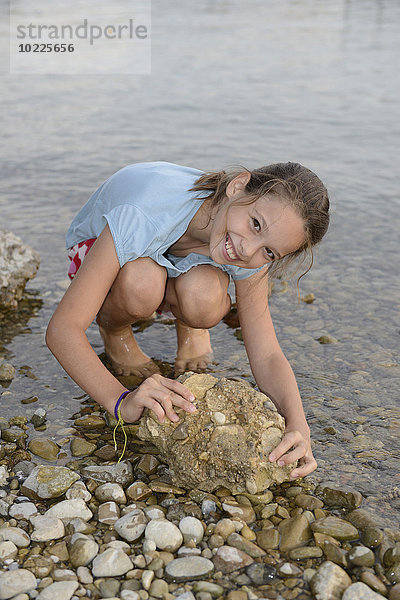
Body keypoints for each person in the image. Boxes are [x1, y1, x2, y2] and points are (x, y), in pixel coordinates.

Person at [46, 160, 329, 479]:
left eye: (270, 253)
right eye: (255, 224)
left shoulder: (246, 245)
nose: (248, 250)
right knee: (141, 284)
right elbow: (62, 330)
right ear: (238, 186)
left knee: (204, 298)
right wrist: (121, 400)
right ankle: (115, 330)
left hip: (192, 251)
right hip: (105, 247)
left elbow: (266, 354)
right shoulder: (144, 212)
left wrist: (298, 425)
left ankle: (190, 323)